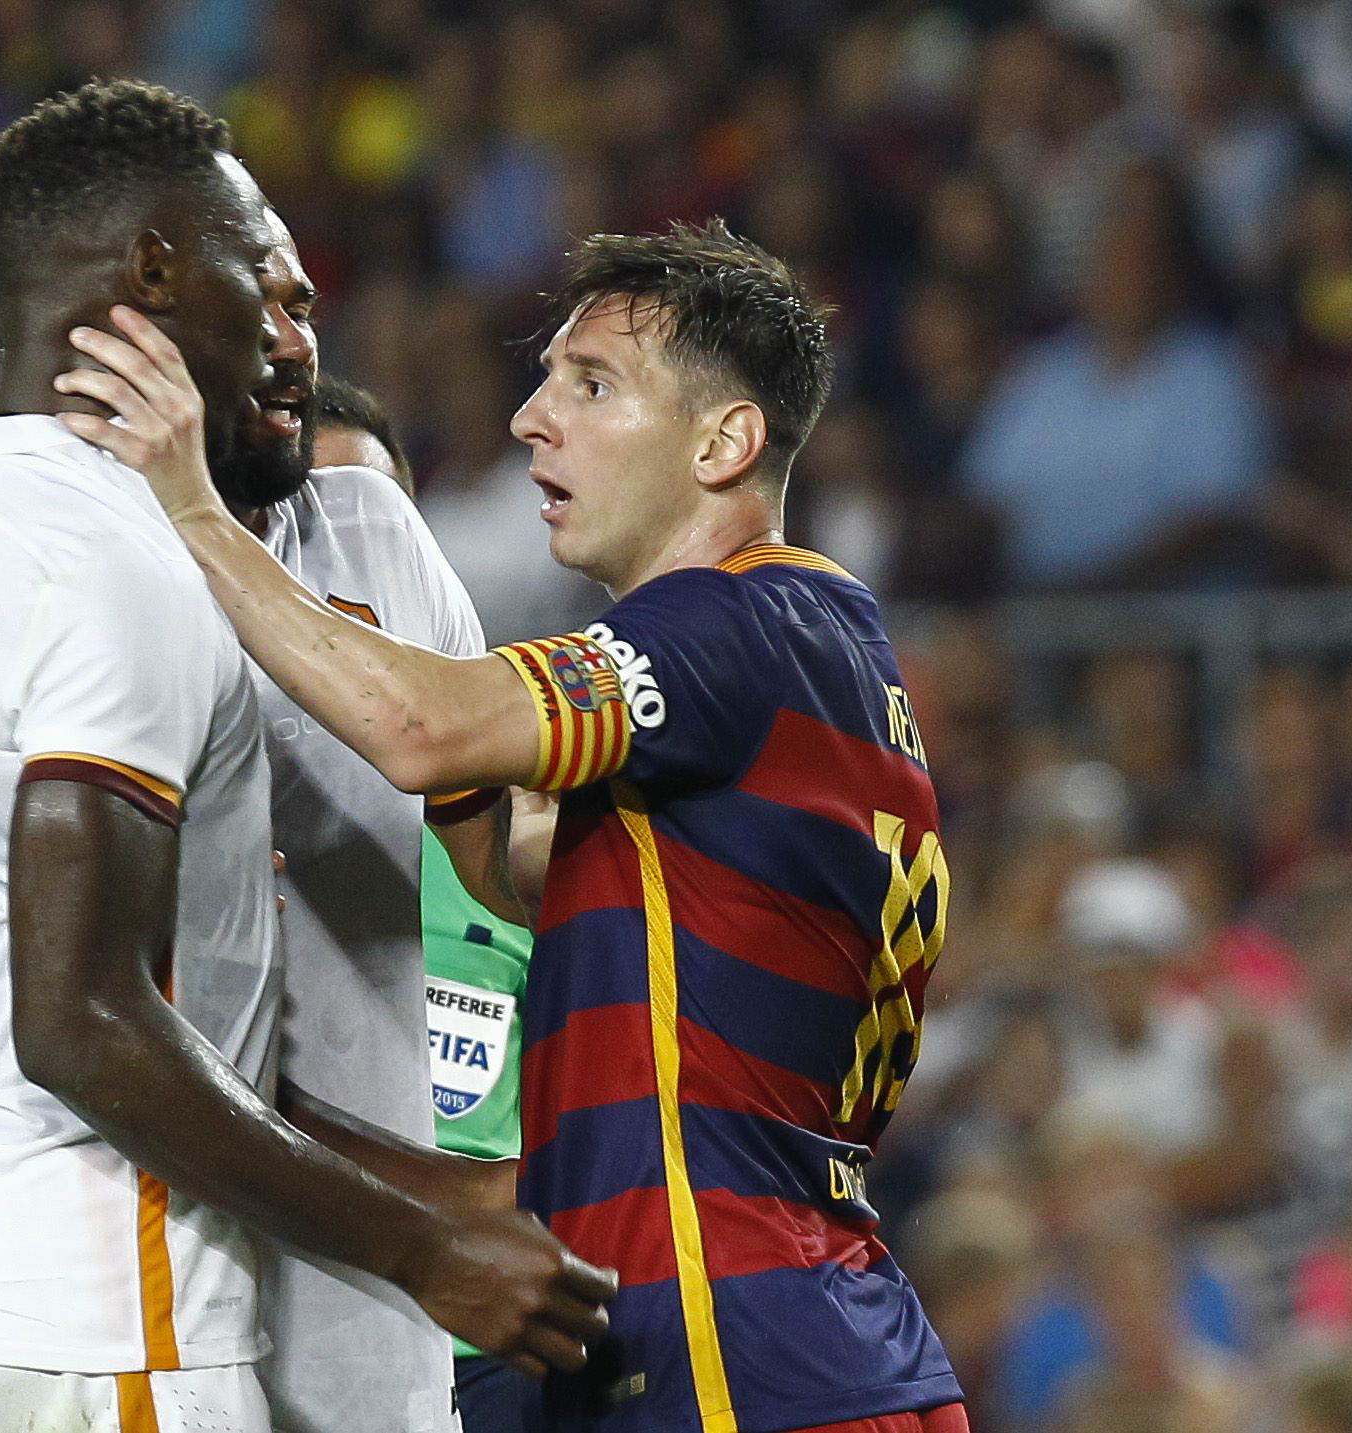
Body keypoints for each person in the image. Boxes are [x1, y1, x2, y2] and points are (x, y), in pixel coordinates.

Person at [57, 219, 966, 1431]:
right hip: (805, 1332)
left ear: (724, 441)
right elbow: (526, 871)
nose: (532, 418)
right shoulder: (811, 661)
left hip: (731, 1350)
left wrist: (193, 511)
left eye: (592, 384)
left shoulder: (735, 623)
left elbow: (422, 730)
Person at [0, 79, 612, 1433]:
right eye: (275, 290)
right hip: (94, 1300)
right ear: (153, 271)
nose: (298, 334)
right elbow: (83, 1023)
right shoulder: (121, 558)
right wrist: (427, 1234)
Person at [211, 228, 528, 1433]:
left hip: (434, 1328)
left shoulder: (493, 860)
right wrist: (436, 1201)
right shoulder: (103, 599)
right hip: (179, 1284)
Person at [312, 377, 538, 1433]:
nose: (347, 560)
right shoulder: (213, 816)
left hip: (494, 1349)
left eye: (376, 519)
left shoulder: (517, 829)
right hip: (301, 1337)